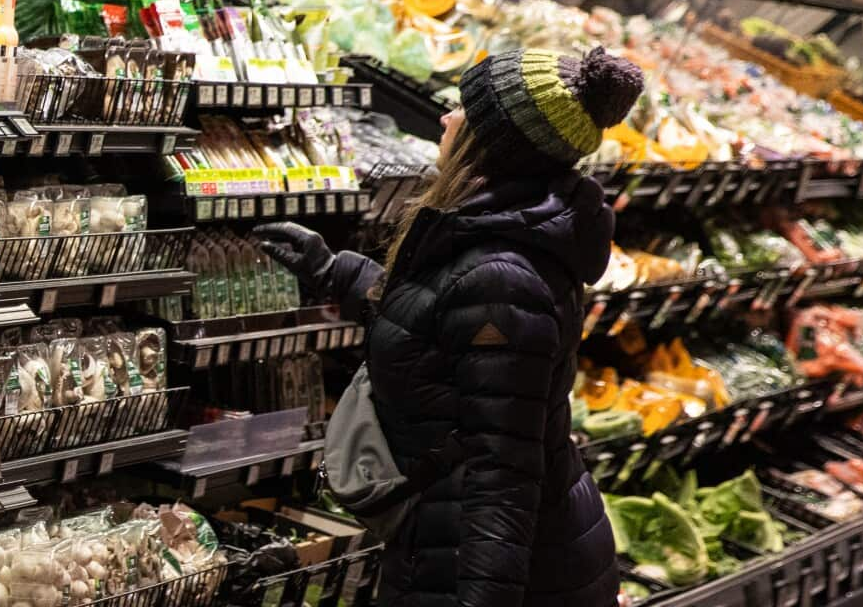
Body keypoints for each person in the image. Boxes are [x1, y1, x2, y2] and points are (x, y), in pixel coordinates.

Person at [255, 47, 644, 607]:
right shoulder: (500, 236)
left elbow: (503, 470)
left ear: (493, 142)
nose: (446, 118)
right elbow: (440, 334)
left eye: (462, 109)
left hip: (496, 566)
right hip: (455, 540)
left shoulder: (503, 275)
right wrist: (334, 271)